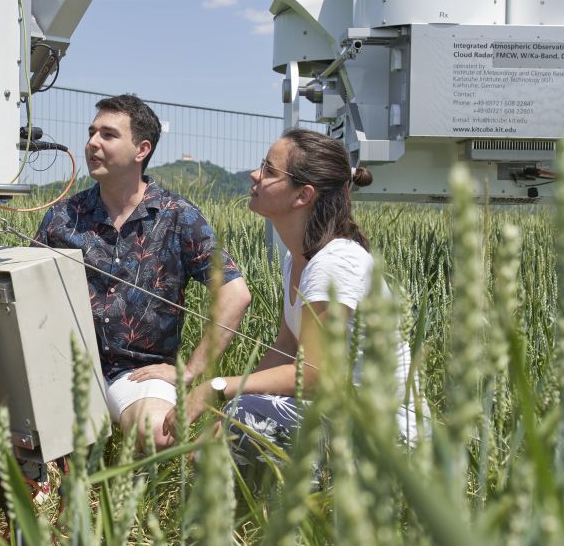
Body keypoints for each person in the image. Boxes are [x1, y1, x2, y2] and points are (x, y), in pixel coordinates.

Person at [163, 128, 417, 473]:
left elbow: (316, 374)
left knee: (226, 447)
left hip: (382, 430)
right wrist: (237, 406)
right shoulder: (297, 258)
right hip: (340, 412)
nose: (255, 175)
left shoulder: (334, 263)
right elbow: (287, 348)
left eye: (269, 171)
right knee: (229, 432)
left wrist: (218, 388)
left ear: (303, 195)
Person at [34, 94, 251, 450]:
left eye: (108, 134)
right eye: (91, 133)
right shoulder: (62, 215)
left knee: (158, 432)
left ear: (141, 149)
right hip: (63, 366)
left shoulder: (177, 215)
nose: (92, 143)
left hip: (135, 374)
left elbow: (235, 293)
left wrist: (193, 370)